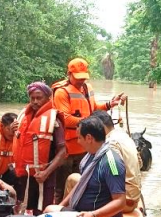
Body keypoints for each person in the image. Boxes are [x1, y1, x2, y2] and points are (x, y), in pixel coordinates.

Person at [52, 57, 128, 203]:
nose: (81, 81)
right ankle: (60, 208)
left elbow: (92, 108)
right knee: (63, 186)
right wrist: (90, 123)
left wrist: (109, 104)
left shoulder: (110, 152)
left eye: (83, 78)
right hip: (68, 150)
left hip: (85, 149)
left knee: (81, 181)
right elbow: (65, 118)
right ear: (69, 74)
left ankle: (70, 206)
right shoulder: (61, 93)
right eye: (77, 78)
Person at [44, 116, 126, 217]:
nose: (78, 141)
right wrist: (60, 206)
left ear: (89, 138)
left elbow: (120, 202)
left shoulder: (111, 162)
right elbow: (81, 183)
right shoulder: (90, 156)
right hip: (84, 212)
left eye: (79, 137)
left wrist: (93, 216)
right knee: (50, 210)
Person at [13, 82, 67, 215]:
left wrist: (46, 173)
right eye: (32, 98)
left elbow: (63, 152)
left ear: (48, 98)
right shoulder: (22, 118)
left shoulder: (54, 121)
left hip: (44, 176)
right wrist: (14, 130)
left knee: (42, 211)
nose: (35, 102)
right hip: (26, 175)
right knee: (24, 208)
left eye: (39, 98)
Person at [90, 110, 142, 211]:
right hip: (133, 196)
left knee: (73, 180)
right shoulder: (124, 136)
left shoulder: (110, 143)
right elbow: (140, 163)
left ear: (100, 127)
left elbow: (114, 170)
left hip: (124, 201)